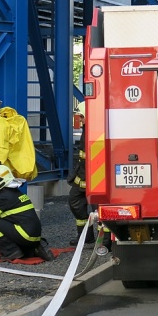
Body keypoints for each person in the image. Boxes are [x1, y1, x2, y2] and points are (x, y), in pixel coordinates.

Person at [67, 101, 96, 246]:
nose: (80, 119)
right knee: (75, 201)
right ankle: (86, 236)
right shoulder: (87, 128)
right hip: (83, 174)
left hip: (96, 178)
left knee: (101, 210)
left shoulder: (97, 129)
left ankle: (106, 242)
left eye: (81, 116)